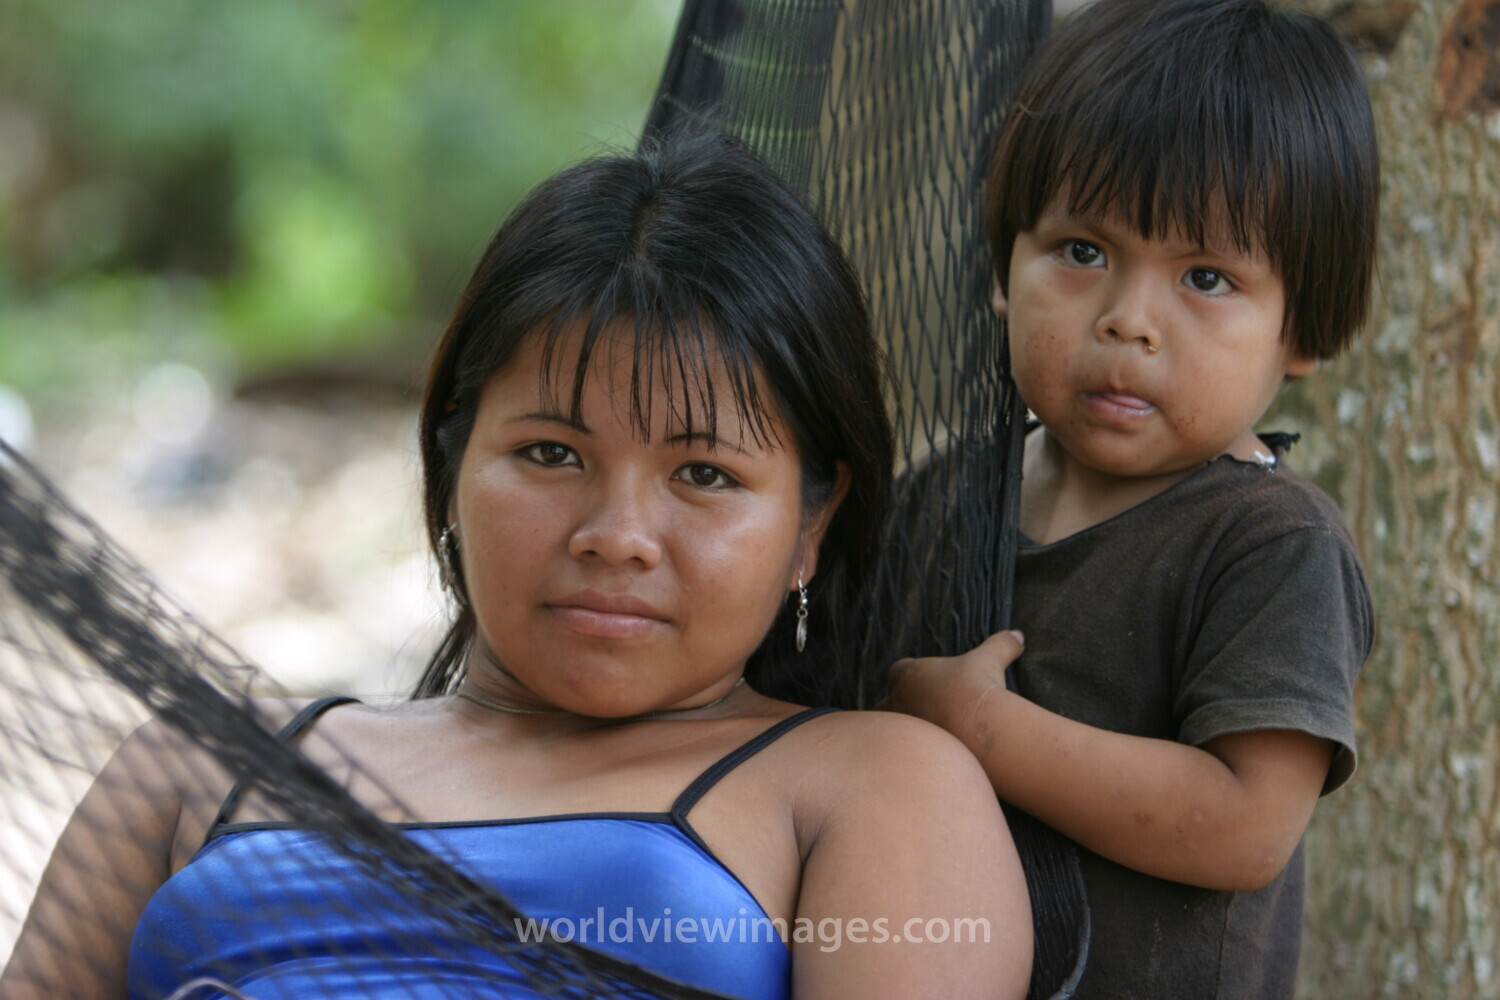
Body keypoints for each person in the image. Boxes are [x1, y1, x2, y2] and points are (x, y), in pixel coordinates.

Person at [1, 132, 1032, 1000]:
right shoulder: (197, 762)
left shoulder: (873, 784)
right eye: (551, 454)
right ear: (453, 457)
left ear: (813, 521)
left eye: (705, 473)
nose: (617, 533)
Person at [882, 1, 1378, 997]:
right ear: (1002, 268)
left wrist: (983, 729)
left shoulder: (1271, 542)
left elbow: (1244, 827)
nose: (1128, 321)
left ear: (1303, 331)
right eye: (1080, 252)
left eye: (1205, 275)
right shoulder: (946, 490)